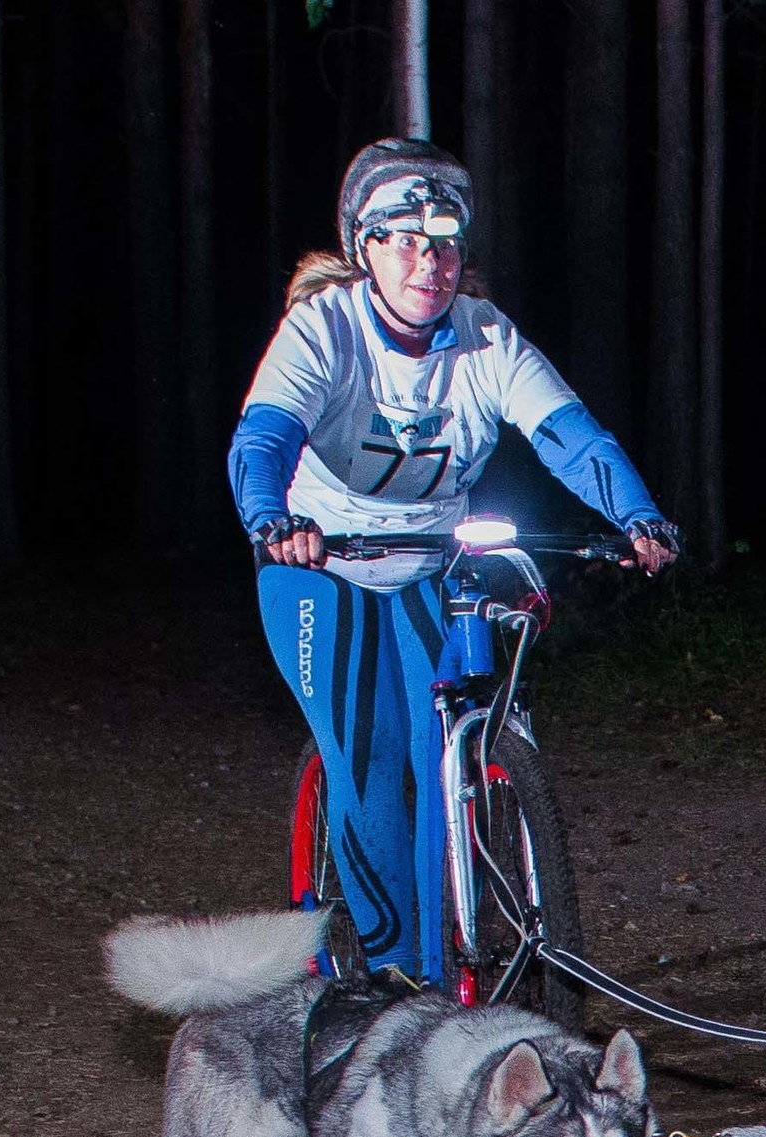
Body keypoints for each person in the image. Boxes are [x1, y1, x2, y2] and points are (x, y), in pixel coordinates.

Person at [228, 139, 678, 988]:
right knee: (369, 754)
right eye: (403, 239)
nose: (428, 262)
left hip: (431, 555)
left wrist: (637, 514)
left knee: (444, 751)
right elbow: (263, 438)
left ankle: (453, 960)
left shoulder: (485, 339)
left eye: (443, 242)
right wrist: (269, 516)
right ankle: (391, 982)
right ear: (364, 247)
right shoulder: (323, 330)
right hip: (319, 559)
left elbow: (570, 438)